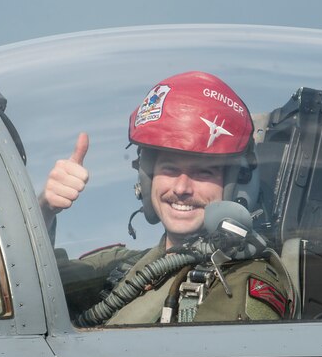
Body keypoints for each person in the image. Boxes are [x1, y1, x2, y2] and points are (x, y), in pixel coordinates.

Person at [39, 71, 294, 326]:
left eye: (203, 172)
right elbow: (30, 290)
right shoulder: (126, 266)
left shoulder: (242, 278)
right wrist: (44, 210)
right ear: (147, 177)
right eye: (169, 168)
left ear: (237, 185)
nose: (182, 187)